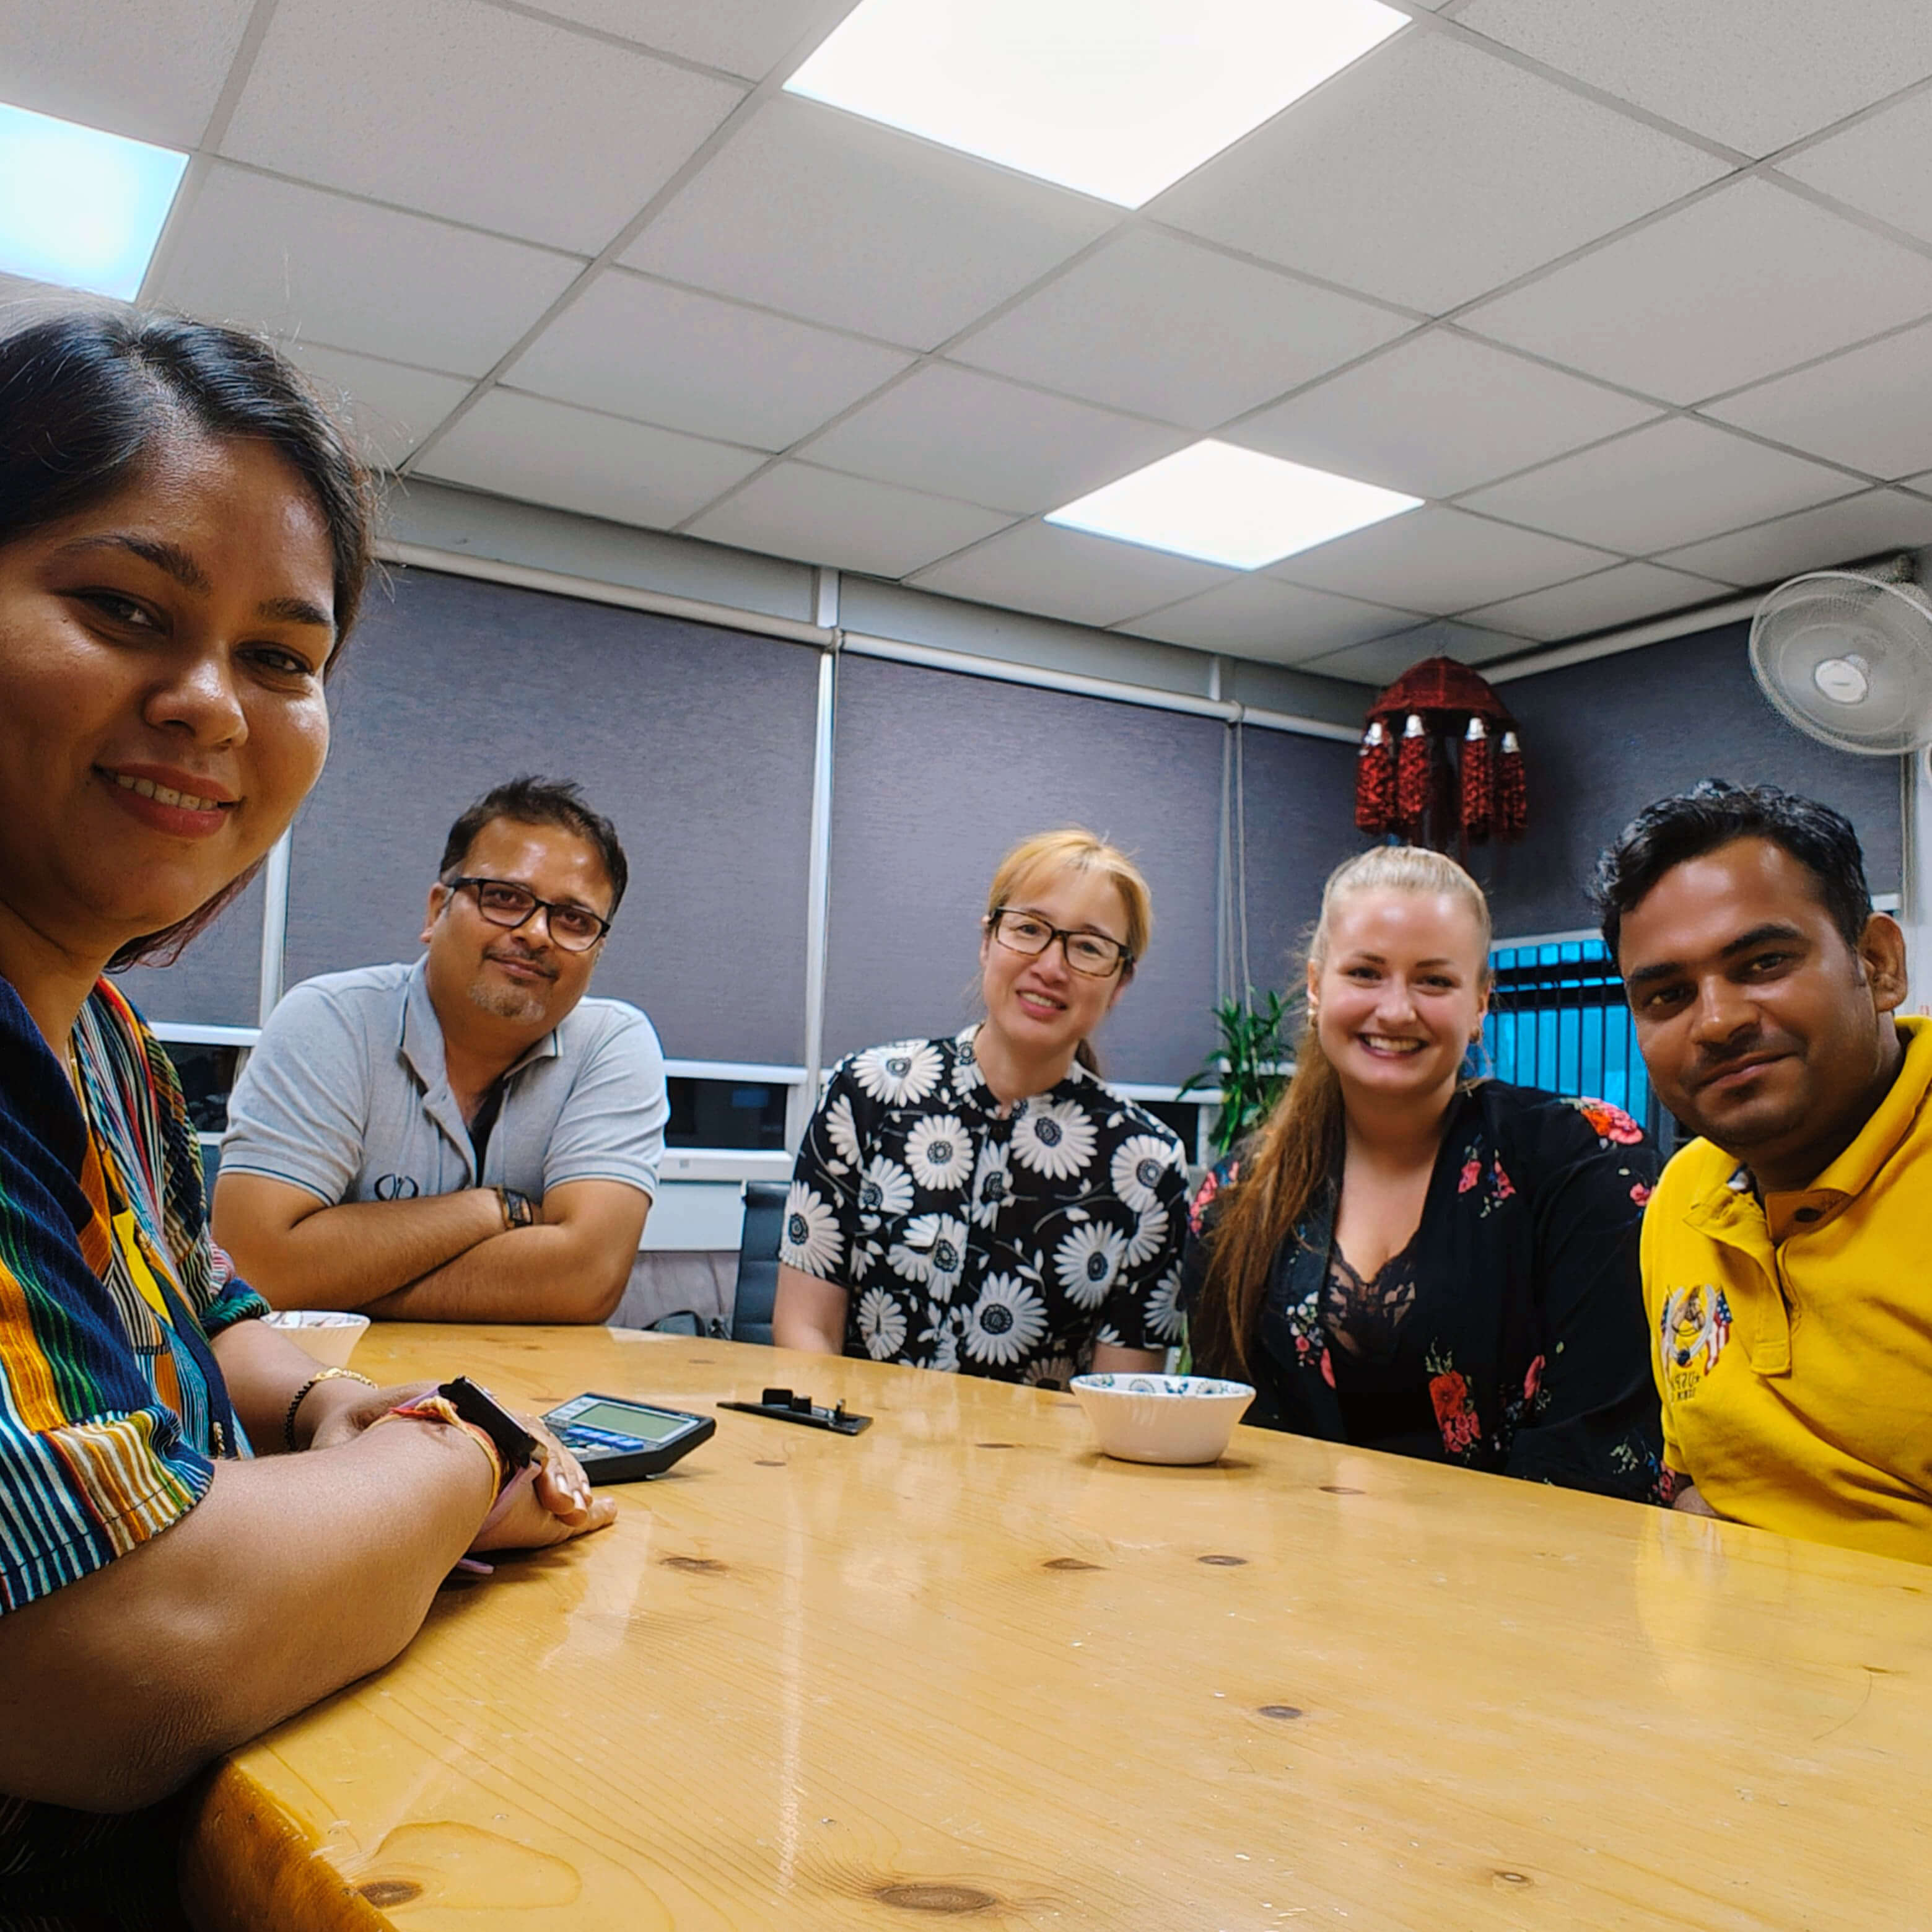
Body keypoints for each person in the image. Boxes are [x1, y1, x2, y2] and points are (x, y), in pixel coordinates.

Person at [0, 308, 613, 1926]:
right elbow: (110, 1642)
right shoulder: (319, 1016)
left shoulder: (107, 1038)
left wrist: (335, 1405)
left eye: (281, 657)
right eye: (124, 607)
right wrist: (451, 1448)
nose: (212, 702)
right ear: (435, 902)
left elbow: (217, 1308)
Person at [1184, 846, 1664, 1497]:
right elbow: (1224, 1434)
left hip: (1526, 1554)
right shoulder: (1238, 1193)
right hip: (1283, 1553)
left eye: (1433, 981)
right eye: (1365, 972)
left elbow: (1602, 1451)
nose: (1395, 1009)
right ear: (1317, 986)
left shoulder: (1582, 1158)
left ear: (1479, 1002)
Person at [1594, 780, 1931, 1564]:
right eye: (1667, 994)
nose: (1716, 1021)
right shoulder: (1681, 1197)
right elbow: (1701, 1484)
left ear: (1877, 963)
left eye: (1764, 962)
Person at [212, 777, 668, 1323]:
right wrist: (495, 1209)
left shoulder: (613, 1043)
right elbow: (258, 1267)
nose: (536, 932)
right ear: (436, 911)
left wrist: (332, 1279)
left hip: (529, 1373)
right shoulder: (332, 1019)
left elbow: (585, 1279)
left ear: (597, 950)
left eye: (574, 919)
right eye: (504, 897)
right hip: (328, 1374)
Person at [774, 829, 1188, 1385]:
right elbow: (805, 1328)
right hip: (857, 1435)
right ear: (987, 940)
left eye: (1089, 947)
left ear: (1120, 982)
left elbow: (1120, 1398)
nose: (1051, 966)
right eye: (1029, 929)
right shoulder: (866, 1093)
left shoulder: (1147, 1165)